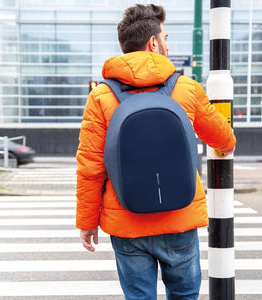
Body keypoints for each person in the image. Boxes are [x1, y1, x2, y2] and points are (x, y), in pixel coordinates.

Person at [76, 4, 236, 299]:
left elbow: (90, 168)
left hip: (126, 222)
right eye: (165, 37)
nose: (167, 43)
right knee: (185, 295)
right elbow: (224, 139)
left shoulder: (100, 96)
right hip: (179, 218)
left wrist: (87, 222)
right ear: (153, 43)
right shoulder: (186, 89)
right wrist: (224, 147)